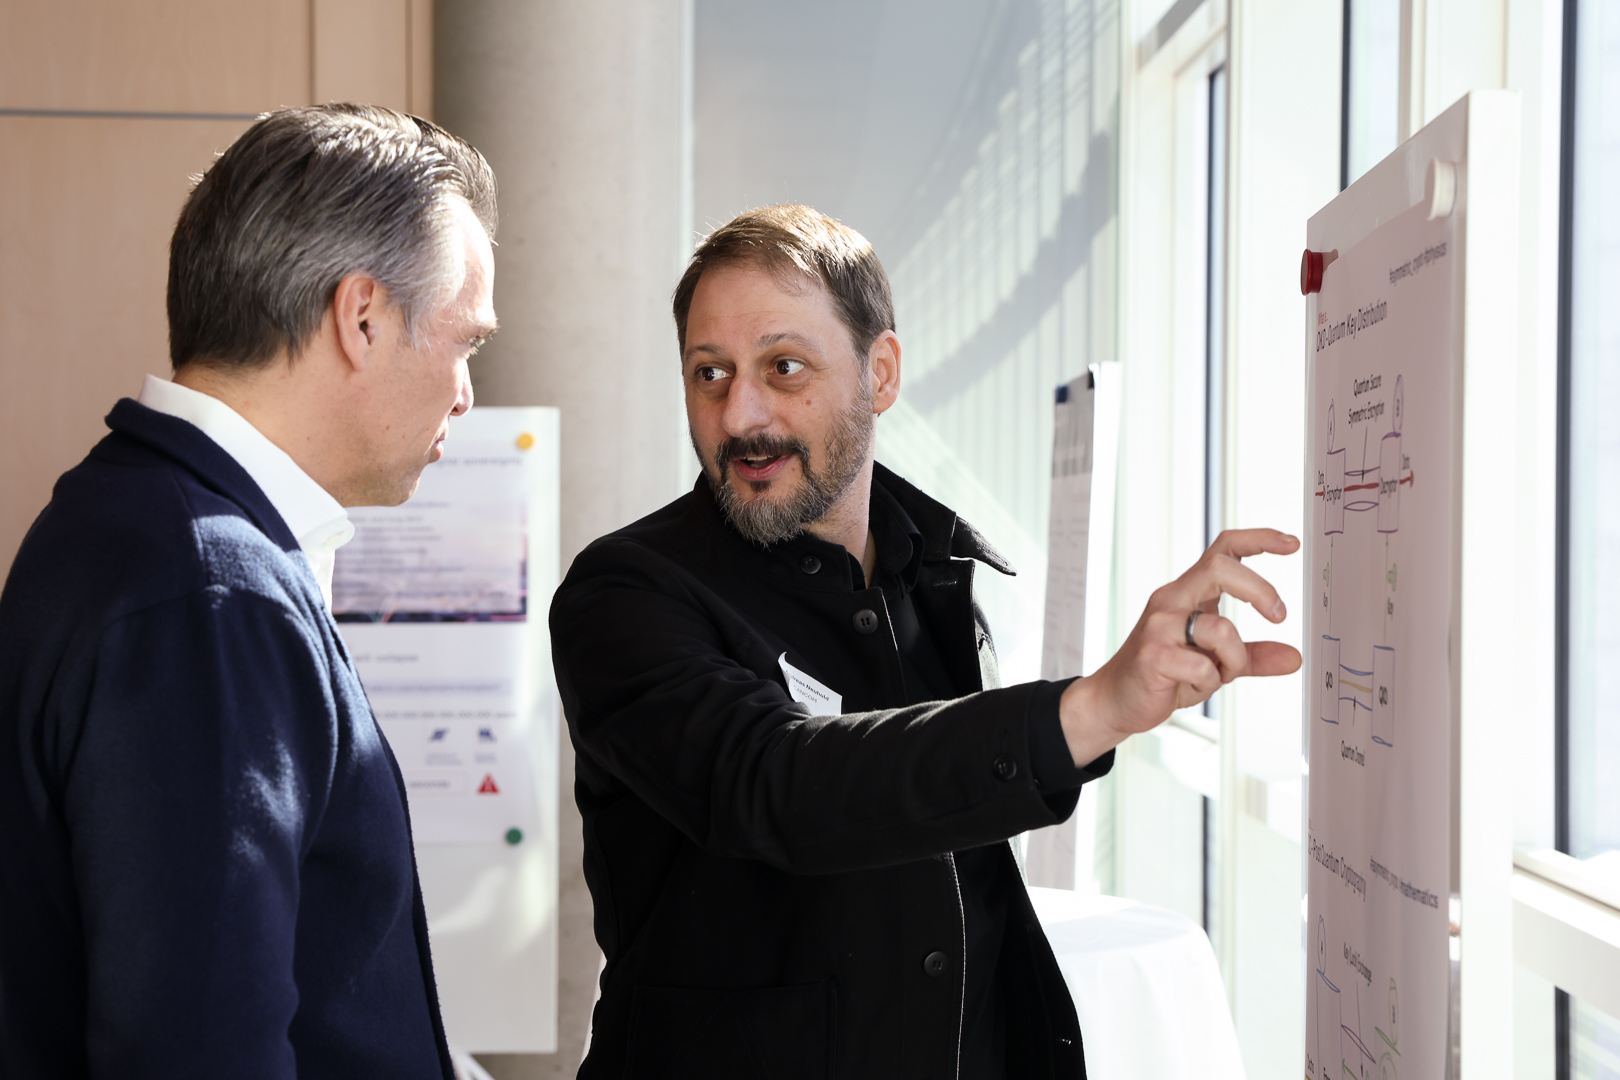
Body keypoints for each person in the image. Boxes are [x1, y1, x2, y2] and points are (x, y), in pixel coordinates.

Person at [550, 204, 1301, 1079]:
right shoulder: (625, 592)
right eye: (709, 373)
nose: (741, 413)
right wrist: (1091, 709)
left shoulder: (931, 572)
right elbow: (776, 784)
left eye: (783, 366)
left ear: (881, 372)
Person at [0, 104, 498, 1079]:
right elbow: (198, 1051)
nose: (465, 391)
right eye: (464, 341)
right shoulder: (211, 595)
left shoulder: (135, 524)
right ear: (362, 317)